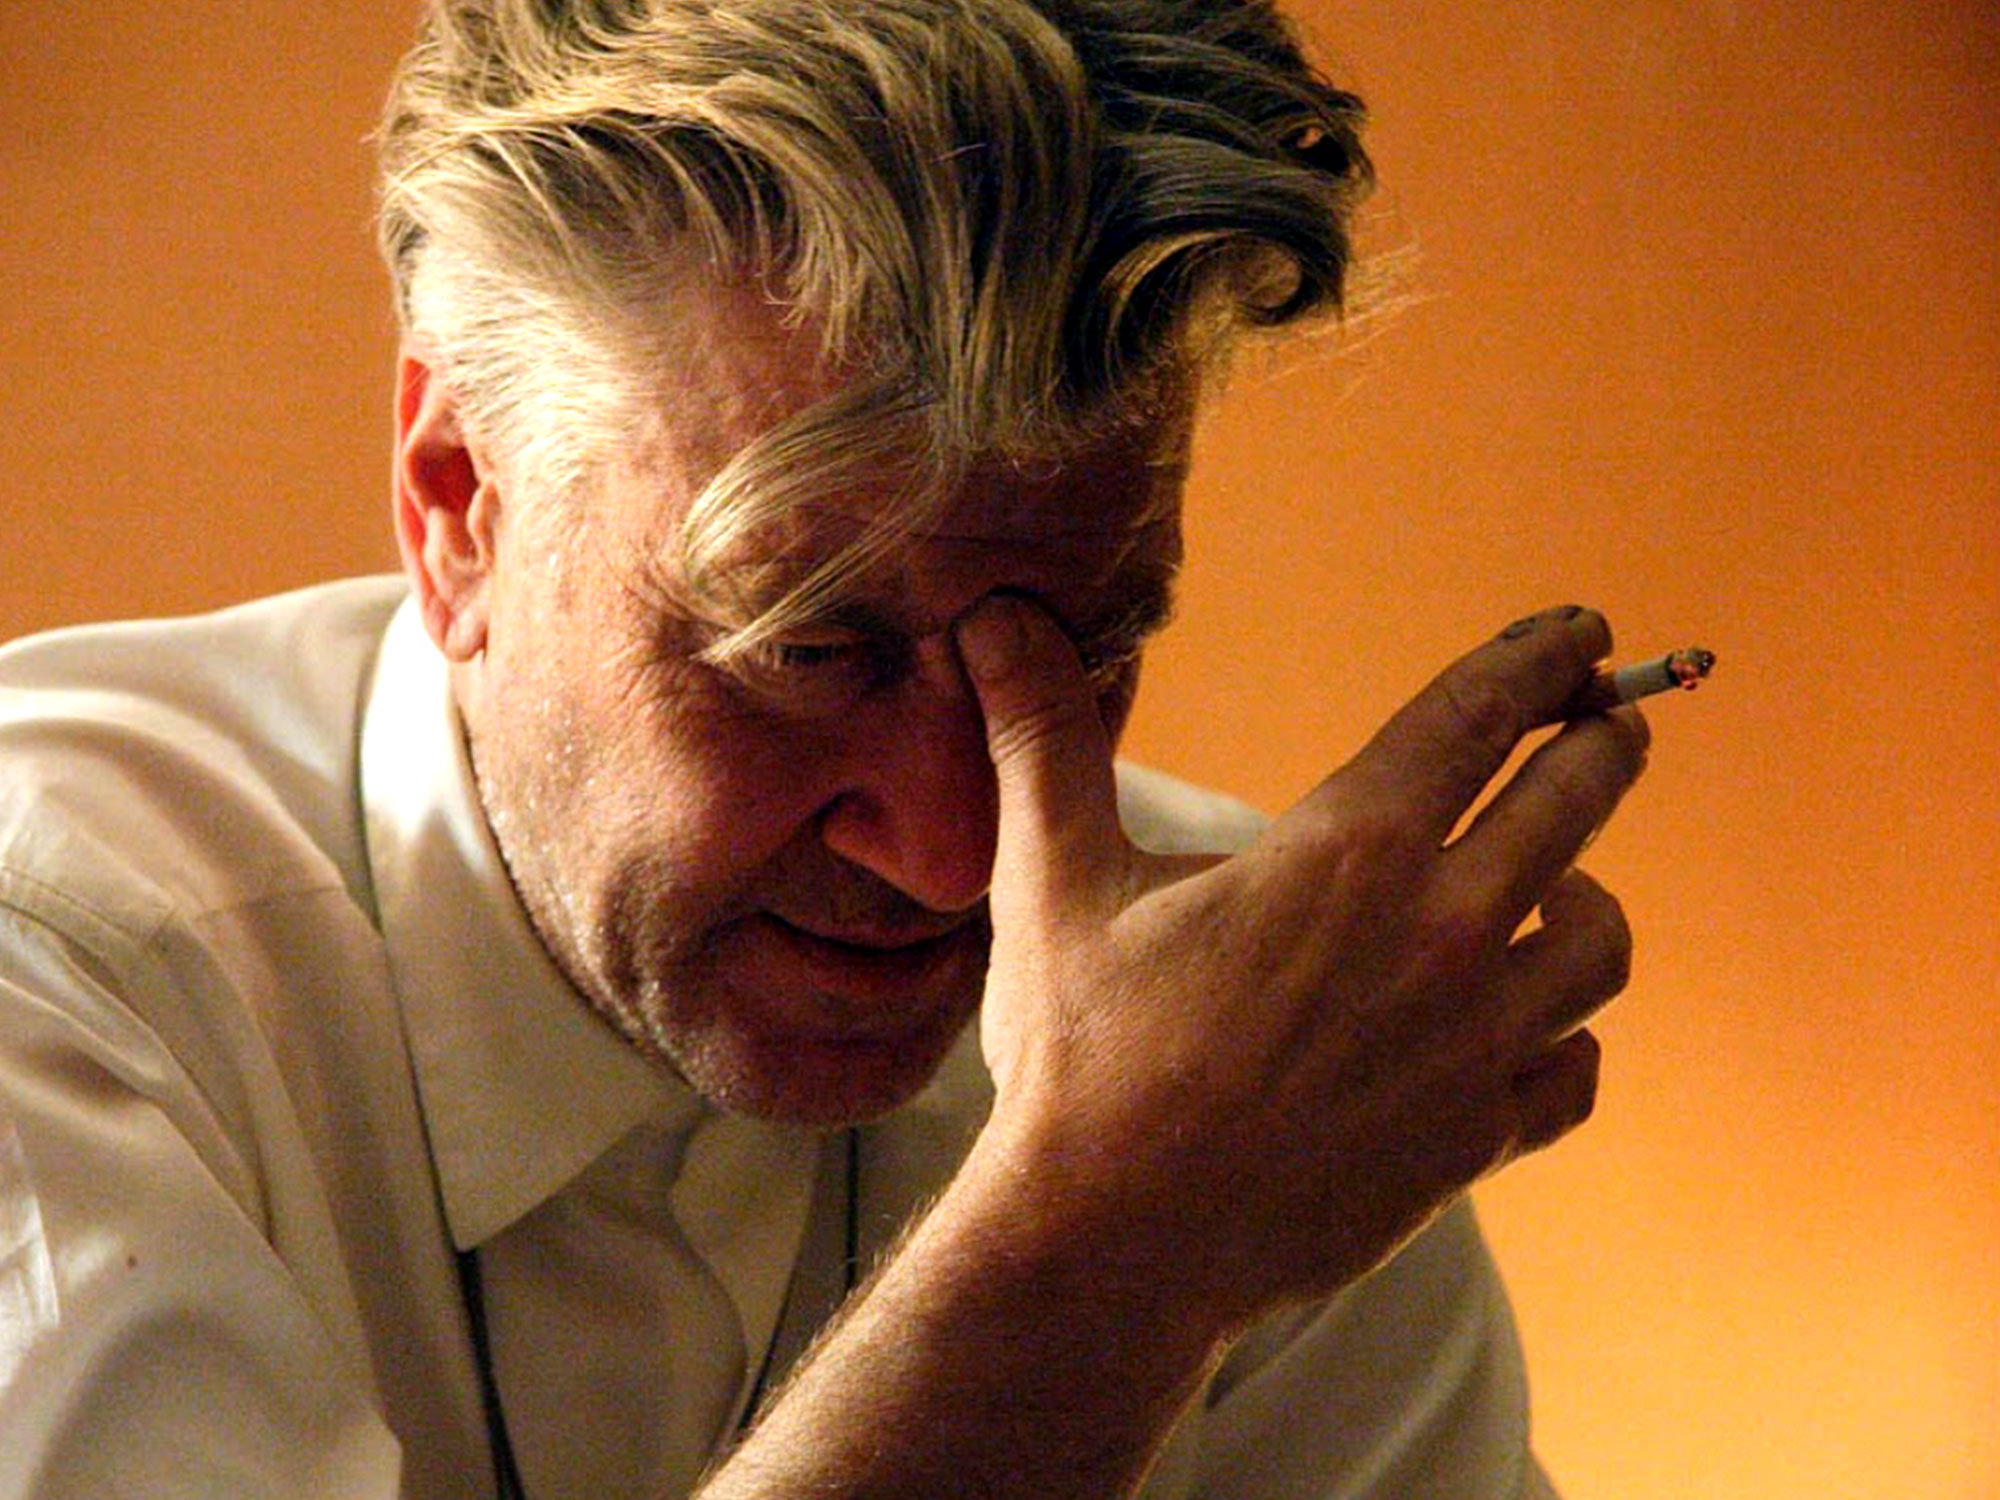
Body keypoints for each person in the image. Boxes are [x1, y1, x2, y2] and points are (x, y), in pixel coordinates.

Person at [0, 2, 1648, 1496]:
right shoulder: (51, 965)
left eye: (1085, 652)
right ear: (460, 509)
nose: (955, 855)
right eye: (805, 647)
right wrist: (1111, 1249)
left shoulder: (1258, 1049)